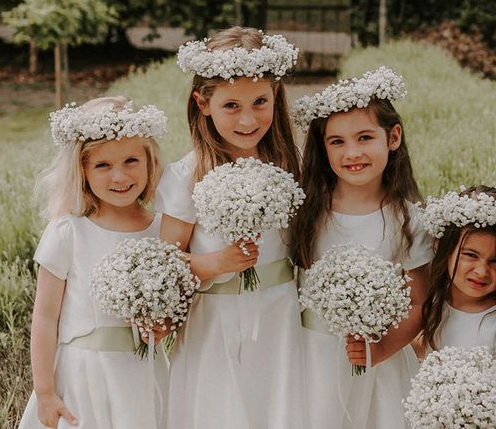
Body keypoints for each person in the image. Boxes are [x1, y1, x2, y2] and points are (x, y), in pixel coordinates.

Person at [157, 27, 305, 429]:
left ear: (275, 95)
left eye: (260, 101)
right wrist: (217, 262)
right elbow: (165, 265)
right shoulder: (186, 176)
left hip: (280, 317)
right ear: (203, 104)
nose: (247, 119)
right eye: (231, 105)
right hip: (214, 322)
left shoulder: (293, 166)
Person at [289, 66, 432, 429]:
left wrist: (382, 349)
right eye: (337, 141)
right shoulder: (307, 212)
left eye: (365, 137)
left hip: (378, 360)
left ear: (393, 137)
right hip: (311, 355)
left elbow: (419, 302)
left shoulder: (409, 220)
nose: (352, 152)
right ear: (323, 148)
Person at [18, 96, 169, 429]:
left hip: (142, 374)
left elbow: (174, 303)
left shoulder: (163, 229)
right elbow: (45, 317)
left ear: (149, 159)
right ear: (82, 170)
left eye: (131, 160)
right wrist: (45, 391)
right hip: (81, 376)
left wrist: (164, 324)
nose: (120, 176)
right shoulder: (69, 231)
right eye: (103, 165)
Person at [415, 185, 496, 428]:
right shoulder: (430, 307)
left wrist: (486, 420)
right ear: (444, 248)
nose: (481, 271)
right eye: (470, 255)